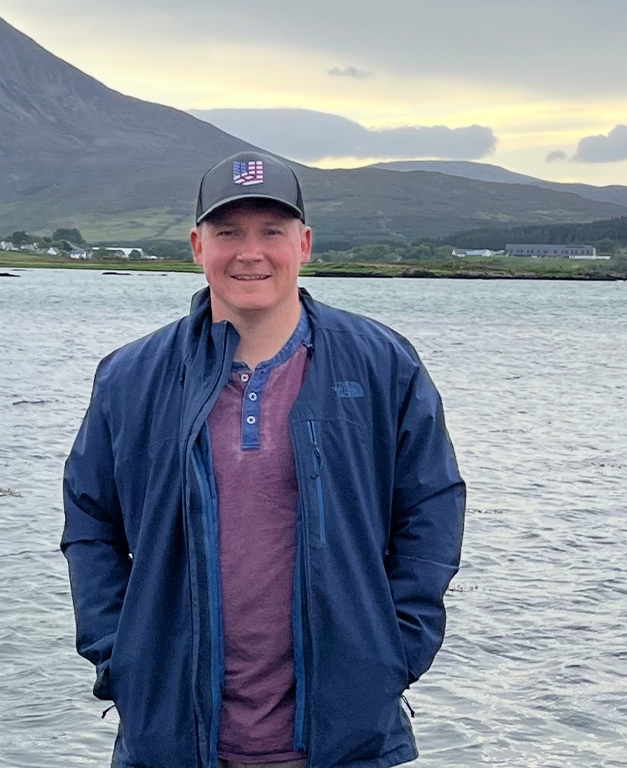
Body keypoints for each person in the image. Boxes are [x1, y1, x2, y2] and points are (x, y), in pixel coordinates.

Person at [62, 151, 465, 768]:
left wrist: (395, 652)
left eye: (271, 232)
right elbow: (90, 524)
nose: (250, 253)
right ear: (198, 246)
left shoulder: (383, 364)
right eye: (229, 233)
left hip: (346, 740)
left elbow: (431, 511)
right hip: (172, 740)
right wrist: (122, 657)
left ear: (304, 244)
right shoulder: (130, 377)